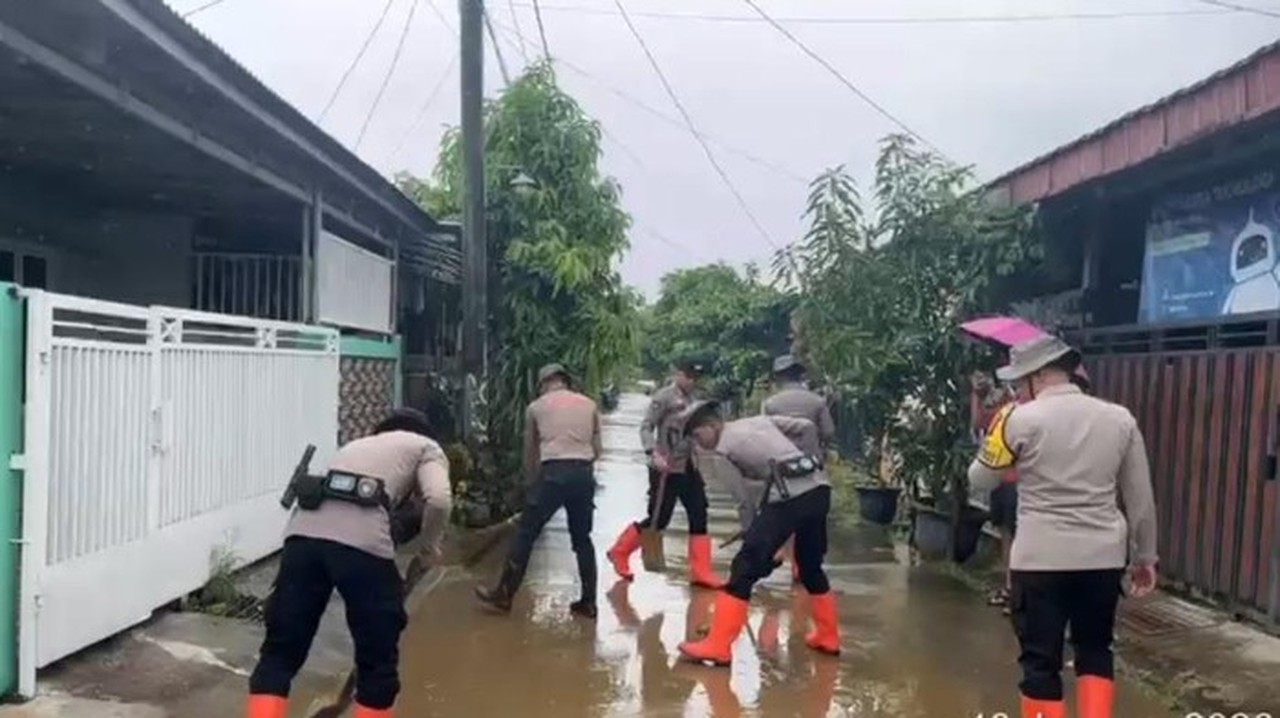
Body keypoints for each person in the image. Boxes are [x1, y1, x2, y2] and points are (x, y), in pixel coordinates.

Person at [968, 336, 1158, 718]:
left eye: (1020, 382)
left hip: (1040, 562)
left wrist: (997, 437)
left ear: (1040, 376)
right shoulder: (1119, 418)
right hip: (1102, 560)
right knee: (1095, 650)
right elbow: (1140, 500)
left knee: (1040, 661)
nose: (1018, 390)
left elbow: (980, 480)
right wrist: (1145, 557)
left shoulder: (1018, 419)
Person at [247, 408, 453, 718]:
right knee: (378, 660)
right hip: (363, 545)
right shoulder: (427, 448)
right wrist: (430, 547)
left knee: (279, 652)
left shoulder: (354, 447)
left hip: (301, 539)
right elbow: (438, 498)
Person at [676, 401, 838, 666]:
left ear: (711, 426)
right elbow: (807, 427)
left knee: (744, 567)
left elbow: (744, 500)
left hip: (790, 500)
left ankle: (718, 646)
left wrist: (753, 538)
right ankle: (828, 637)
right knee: (810, 566)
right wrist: (811, 459)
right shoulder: (761, 420)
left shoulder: (722, 451)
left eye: (697, 436)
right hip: (819, 490)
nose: (697, 444)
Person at [475, 363, 602, 618]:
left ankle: (504, 594)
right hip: (583, 474)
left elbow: (530, 452)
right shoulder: (589, 405)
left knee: (526, 534)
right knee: (582, 539)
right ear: (566, 381)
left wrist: (532, 483)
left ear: (543, 383)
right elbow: (597, 448)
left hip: (552, 473)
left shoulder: (536, 407)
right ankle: (588, 602)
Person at [606, 360, 723, 588]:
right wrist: (653, 452)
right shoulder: (664, 397)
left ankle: (701, 571)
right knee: (659, 519)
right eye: (688, 376)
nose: (691, 381)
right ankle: (619, 551)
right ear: (678, 374)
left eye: (695, 378)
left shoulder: (696, 400)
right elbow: (646, 426)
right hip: (665, 467)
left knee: (699, 512)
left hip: (689, 465)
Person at [759, 354, 836, 583]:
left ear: (779, 377)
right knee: (811, 518)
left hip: (781, 470)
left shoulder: (771, 404)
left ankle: (777, 552)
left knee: (782, 513)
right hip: (811, 470)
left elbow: (763, 433)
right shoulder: (817, 402)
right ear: (800, 374)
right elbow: (829, 432)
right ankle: (803, 569)